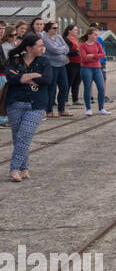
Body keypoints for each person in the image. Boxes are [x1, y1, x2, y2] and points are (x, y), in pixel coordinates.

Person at [5, 32, 52, 182]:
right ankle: (24, 168)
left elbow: (47, 79)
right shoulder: (14, 60)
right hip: (15, 103)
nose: (43, 48)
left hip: (36, 104)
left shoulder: (44, 61)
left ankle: (14, 169)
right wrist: (29, 77)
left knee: (24, 135)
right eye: (40, 46)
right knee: (18, 137)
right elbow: (10, 78)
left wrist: (26, 77)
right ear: (30, 48)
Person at [41, 23, 70, 117]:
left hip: (62, 65)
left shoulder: (58, 37)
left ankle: (61, 109)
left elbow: (67, 48)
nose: (56, 29)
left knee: (64, 87)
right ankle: (49, 110)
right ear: (48, 29)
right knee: (51, 88)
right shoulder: (45, 39)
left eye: (57, 28)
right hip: (52, 66)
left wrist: (60, 49)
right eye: (54, 28)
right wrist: (62, 49)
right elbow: (54, 50)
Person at [77, 27, 108, 114]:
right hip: (86, 68)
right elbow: (84, 58)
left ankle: (101, 108)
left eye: (96, 35)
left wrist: (93, 55)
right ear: (89, 35)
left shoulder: (97, 44)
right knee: (87, 88)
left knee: (101, 88)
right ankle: (88, 109)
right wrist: (95, 57)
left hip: (97, 68)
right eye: (95, 35)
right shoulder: (83, 45)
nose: (96, 36)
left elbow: (103, 55)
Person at [65, 26, 81, 106]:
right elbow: (68, 51)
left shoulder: (76, 39)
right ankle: (65, 99)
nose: (76, 31)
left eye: (76, 30)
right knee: (69, 81)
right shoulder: (66, 39)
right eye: (75, 30)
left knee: (77, 82)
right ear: (69, 31)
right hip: (71, 63)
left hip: (79, 63)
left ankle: (75, 99)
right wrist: (77, 52)